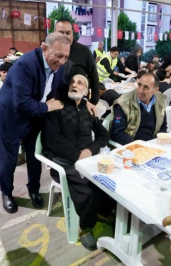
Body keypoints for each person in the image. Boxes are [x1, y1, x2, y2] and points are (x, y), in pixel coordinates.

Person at [0, 33, 69, 213]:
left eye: (66, 57)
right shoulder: (25, 65)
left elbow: (61, 83)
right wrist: (47, 107)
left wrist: (81, 97)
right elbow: (22, 102)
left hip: (35, 116)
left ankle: (34, 190)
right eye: (59, 56)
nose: (62, 61)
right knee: (8, 159)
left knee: (34, 156)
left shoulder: (59, 65)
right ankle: (7, 193)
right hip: (11, 115)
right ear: (44, 48)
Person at [43, 75, 114, 251]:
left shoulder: (87, 110)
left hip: (86, 159)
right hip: (63, 162)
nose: (74, 85)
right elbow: (52, 139)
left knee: (110, 179)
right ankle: (85, 225)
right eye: (72, 82)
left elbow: (103, 135)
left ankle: (101, 211)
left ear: (86, 91)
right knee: (86, 186)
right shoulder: (57, 106)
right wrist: (77, 156)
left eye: (80, 83)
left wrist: (90, 150)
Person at [110, 73, 167, 145]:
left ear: (155, 90)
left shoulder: (160, 100)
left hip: (153, 144)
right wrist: (140, 145)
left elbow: (163, 126)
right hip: (132, 147)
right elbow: (117, 133)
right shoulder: (124, 103)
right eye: (139, 85)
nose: (140, 91)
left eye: (146, 87)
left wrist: (154, 143)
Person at [54, 19, 100, 105]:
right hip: (55, 104)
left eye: (68, 33)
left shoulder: (84, 51)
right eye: (61, 33)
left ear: (72, 34)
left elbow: (94, 77)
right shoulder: (51, 52)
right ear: (54, 34)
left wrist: (93, 101)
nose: (65, 36)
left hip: (78, 104)